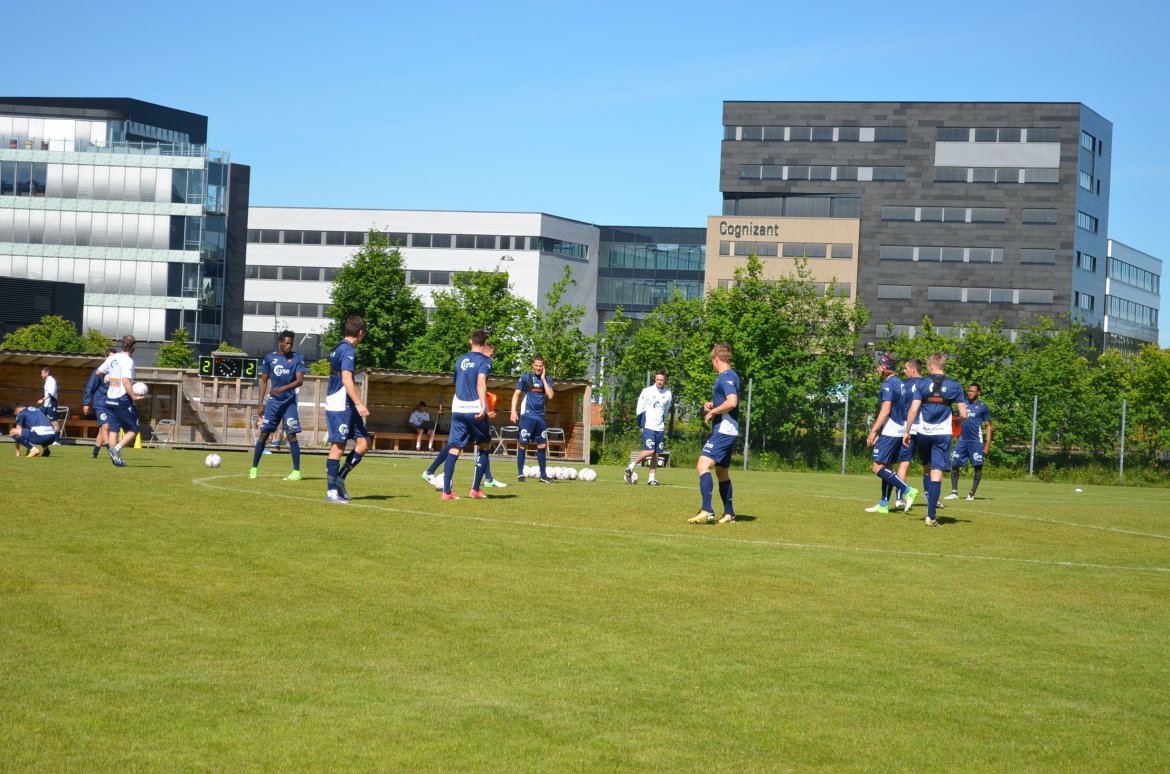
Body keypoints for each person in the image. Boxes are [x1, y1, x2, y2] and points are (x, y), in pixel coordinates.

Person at [422, 330, 494, 499]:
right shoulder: (485, 361)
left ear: (470, 341)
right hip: (475, 408)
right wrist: (483, 406)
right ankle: (475, 489)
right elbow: (481, 382)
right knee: (484, 446)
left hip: (458, 408)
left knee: (454, 447)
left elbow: (458, 381)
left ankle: (447, 492)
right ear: (484, 344)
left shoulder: (460, 359)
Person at [903, 352, 967, 527]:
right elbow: (963, 414)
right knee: (936, 472)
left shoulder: (922, 383)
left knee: (927, 468)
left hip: (923, 433)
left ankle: (929, 503)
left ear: (931, 366)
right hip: (942, 434)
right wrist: (957, 422)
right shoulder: (955, 385)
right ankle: (930, 515)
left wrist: (907, 431)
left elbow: (913, 410)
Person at [688, 344, 740, 525]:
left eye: (712, 361)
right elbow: (727, 401)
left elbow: (732, 402)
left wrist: (713, 412)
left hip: (724, 430)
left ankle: (707, 510)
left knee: (703, 465)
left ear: (716, 358)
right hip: (728, 429)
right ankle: (729, 514)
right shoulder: (730, 376)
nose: (713, 364)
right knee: (722, 472)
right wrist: (713, 404)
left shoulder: (726, 376)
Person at [325, 316, 371, 503]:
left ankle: (340, 479)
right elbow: (346, 379)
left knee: (364, 443)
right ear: (360, 333)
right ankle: (331, 492)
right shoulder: (348, 351)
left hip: (346, 404)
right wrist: (359, 404)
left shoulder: (339, 347)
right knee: (338, 447)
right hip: (340, 404)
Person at [864, 354, 918, 514]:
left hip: (891, 430)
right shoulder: (900, 383)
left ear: (885, 367)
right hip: (899, 429)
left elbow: (886, 410)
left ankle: (908, 490)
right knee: (888, 467)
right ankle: (883, 504)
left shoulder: (888, 384)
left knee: (877, 467)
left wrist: (873, 431)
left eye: (879, 366)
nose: (877, 369)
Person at [251, 330, 307, 481]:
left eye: (291, 343)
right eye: (287, 343)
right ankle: (254, 469)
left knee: (292, 435)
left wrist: (282, 389)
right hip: (273, 404)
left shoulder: (297, 358)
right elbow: (264, 381)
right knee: (264, 434)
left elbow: (300, 381)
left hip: (289, 403)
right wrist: (260, 404)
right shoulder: (270, 358)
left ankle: (296, 472)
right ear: (280, 343)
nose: (289, 346)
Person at [97, 335, 145, 467]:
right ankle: (116, 450)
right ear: (134, 346)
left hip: (110, 399)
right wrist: (133, 396)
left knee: (114, 430)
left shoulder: (112, 358)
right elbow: (125, 381)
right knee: (133, 429)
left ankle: (116, 459)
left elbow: (98, 372)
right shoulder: (128, 361)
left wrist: (109, 378)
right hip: (122, 399)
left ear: (122, 344)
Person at [511, 355, 555, 483]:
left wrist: (544, 379)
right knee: (523, 443)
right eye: (536, 365)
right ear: (533, 365)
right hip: (527, 415)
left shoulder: (547, 378)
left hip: (540, 417)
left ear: (543, 366)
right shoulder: (526, 377)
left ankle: (543, 476)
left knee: (542, 444)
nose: (538, 368)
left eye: (541, 366)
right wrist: (513, 411)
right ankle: (520, 474)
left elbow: (550, 395)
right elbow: (516, 394)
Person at [624, 370, 672, 486]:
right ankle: (630, 467)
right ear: (655, 380)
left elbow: (665, 411)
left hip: (660, 427)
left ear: (665, 380)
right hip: (648, 426)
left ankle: (651, 479)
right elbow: (639, 409)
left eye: (661, 380)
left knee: (656, 454)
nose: (659, 382)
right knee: (649, 450)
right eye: (657, 380)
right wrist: (640, 424)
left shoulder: (668, 394)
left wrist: (662, 422)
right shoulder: (647, 391)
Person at [948, 383, 992, 501]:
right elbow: (958, 422)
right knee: (955, 464)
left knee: (977, 466)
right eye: (969, 391)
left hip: (975, 441)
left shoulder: (983, 407)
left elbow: (988, 425)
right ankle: (954, 492)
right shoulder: (963, 405)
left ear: (978, 393)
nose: (970, 393)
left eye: (973, 391)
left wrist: (988, 442)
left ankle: (972, 493)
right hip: (962, 440)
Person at [82, 347, 117, 459]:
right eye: (110, 357)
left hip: (111, 403)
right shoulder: (99, 371)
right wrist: (86, 403)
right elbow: (90, 387)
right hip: (100, 403)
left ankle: (94, 453)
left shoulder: (117, 371)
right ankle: (110, 451)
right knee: (105, 426)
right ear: (105, 357)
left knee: (103, 429)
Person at [39, 367, 60, 433]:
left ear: (47, 373)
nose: (41, 375)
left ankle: (57, 438)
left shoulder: (51, 381)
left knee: (54, 421)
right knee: (39, 416)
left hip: (51, 403)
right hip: (46, 404)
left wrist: (42, 399)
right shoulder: (47, 381)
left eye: (42, 373)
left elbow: (51, 393)